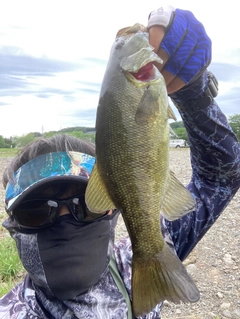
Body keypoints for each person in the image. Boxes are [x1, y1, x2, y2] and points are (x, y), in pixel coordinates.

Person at [0, 5, 240, 319]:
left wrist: (193, 92)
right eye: (35, 212)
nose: (64, 220)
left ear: (110, 206)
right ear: (13, 227)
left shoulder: (139, 259)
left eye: (85, 205)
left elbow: (222, 176)